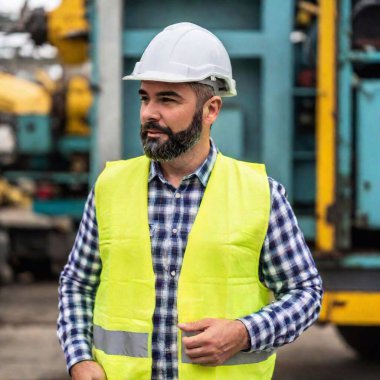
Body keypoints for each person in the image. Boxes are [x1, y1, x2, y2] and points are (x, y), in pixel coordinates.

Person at [57, 22, 322, 380]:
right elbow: (78, 283)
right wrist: (79, 358)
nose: (149, 112)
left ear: (211, 110)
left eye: (167, 99)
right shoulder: (109, 186)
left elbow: (305, 293)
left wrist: (244, 333)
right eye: (145, 97)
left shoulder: (261, 194)